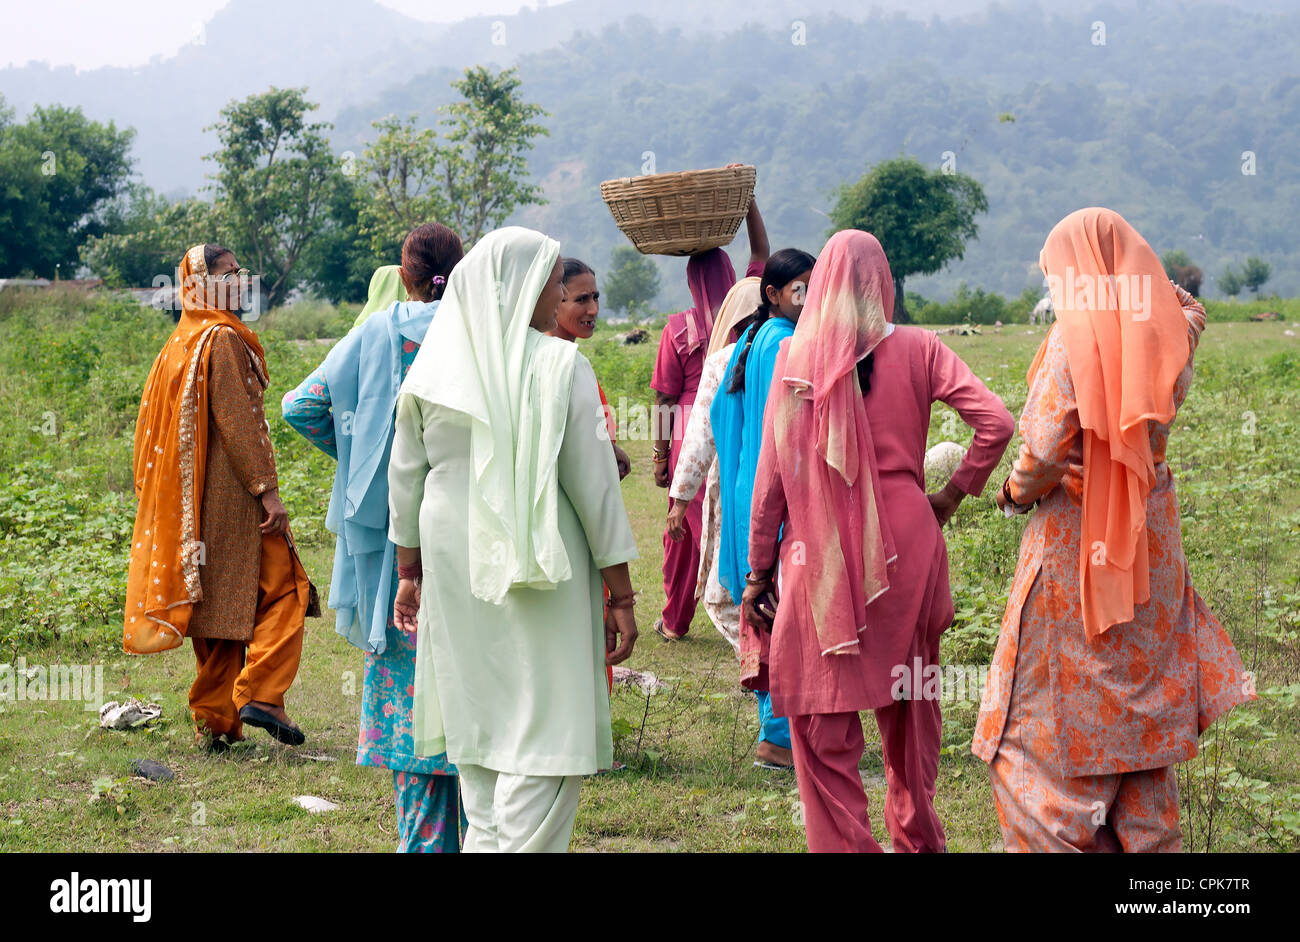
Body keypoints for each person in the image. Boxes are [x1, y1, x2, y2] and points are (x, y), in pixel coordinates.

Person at [973, 207, 1254, 852]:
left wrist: (1016, 492)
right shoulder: (1171, 331)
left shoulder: (1076, 339)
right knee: (1143, 709)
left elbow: (1043, 446)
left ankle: (1063, 830)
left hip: (1078, 542)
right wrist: (1141, 277)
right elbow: (1187, 305)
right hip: (1149, 540)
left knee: (1035, 733)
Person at [745, 229, 1013, 852]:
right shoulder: (920, 346)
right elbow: (996, 423)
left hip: (823, 550)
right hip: (908, 538)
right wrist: (951, 493)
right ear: (883, 283)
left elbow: (772, 478)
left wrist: (759, 569)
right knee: (909, 698)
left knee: (821, 712)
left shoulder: (794, 360)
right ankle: (917, 837)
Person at [387, 227, 640, 853]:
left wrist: (410, 573)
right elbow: (596, 489)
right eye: (553, 283)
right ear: (521, 287)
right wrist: (623, 594)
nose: (558, 295)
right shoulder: (560, 367)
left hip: (451, 564)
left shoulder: (431, 373)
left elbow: (405, 483)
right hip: (542, 574)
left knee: (480, 738)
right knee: (545, 733)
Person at [281, 223, 464, 852]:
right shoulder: (482, 333)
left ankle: (423, 838)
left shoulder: (378, 331)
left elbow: (301, 405)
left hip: (391, 532)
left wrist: (363, 457)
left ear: (404, 273)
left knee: (401, 653)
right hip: (471, 523)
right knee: (474, 665)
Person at [124, 243, 318, 750]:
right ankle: (262, 694)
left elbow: (148, 431)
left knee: (219, 611)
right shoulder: (223, 340)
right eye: (229, 273)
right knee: (287, 589)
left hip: (193, 504)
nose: (241, 280)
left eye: (240, 271)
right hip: (235, 499)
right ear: (201, 283)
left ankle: (215, 720)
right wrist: (267, 491)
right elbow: (239, 425)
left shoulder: (177, 343)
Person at [711, 249, 817, 769]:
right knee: (783, 612)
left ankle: (775, 726)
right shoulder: (786, 344)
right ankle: (780, 736)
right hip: (773, 496)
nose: (812, 297)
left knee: (766, 609)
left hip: (745, 490)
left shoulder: (749, 341)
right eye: (801, 288)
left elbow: (719, 413)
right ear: (773, 294)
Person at [651, 192, 769, 641]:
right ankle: (748, 606)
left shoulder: (677, 328)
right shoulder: (752, 305)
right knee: (734, 522)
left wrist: (662, 457)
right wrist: (747, 203)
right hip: (736, 425)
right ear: (731, 273)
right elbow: (761, 251)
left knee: (681, 536)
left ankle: (675, 621)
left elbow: (664, 399)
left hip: (690, 435)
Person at [665, 276, 763, 651]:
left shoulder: (724, 361)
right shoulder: (796, 351)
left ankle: (760, 656)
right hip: (792, 481)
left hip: (736, 482)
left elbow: (701, 436)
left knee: (723, 589)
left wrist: (681, 499)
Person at [548, 256, 630, 704]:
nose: (594, 308)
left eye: (596, 297)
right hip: (572, 526)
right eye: (581, 298)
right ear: (550, 300)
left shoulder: (570, 362)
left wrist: (608, 451)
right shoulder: (563, 365)